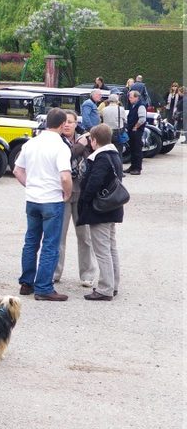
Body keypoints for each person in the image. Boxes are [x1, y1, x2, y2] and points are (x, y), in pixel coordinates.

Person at [12, 107, 72, 301]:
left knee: (31, 241)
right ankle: (44, 286)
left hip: (33, 198)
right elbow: (64, 176)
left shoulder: (31, 143)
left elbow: (17, 170)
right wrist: (67, 193)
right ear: (63, 124)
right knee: (50, 244)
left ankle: (26, 282)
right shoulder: (61, 146)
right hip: (52, 198)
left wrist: (30, 185)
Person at [76, 124, 124, 301]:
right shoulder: (114, 155)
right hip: (112, 208)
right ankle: (113, 284)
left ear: (95, 140)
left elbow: (93, 183)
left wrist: (84, 201)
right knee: (111, 248)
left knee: (102, 250)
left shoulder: (101, 158)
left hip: (101, 210)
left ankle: (105, 288)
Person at [53, 110, 98, 288]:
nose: (67, 125)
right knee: (58, 236)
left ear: (75, 123)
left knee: (85, 237)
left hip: (82, 192)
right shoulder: (56, 141)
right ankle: (55, 273)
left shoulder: (87, 139)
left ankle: (87, 274)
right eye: (64, 122)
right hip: (62, 192)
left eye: (70, 122)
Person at [125, 90, 146, 175]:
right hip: (132, 131)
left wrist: (135, 127)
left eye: (131, 97)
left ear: (136, 97)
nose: (129, 99)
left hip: (136, 131)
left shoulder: (140, 106)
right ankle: (132, 166)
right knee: (132, 149)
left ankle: (137, 168)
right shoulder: (133, 105)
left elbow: (142, 119)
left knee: (137, 150)